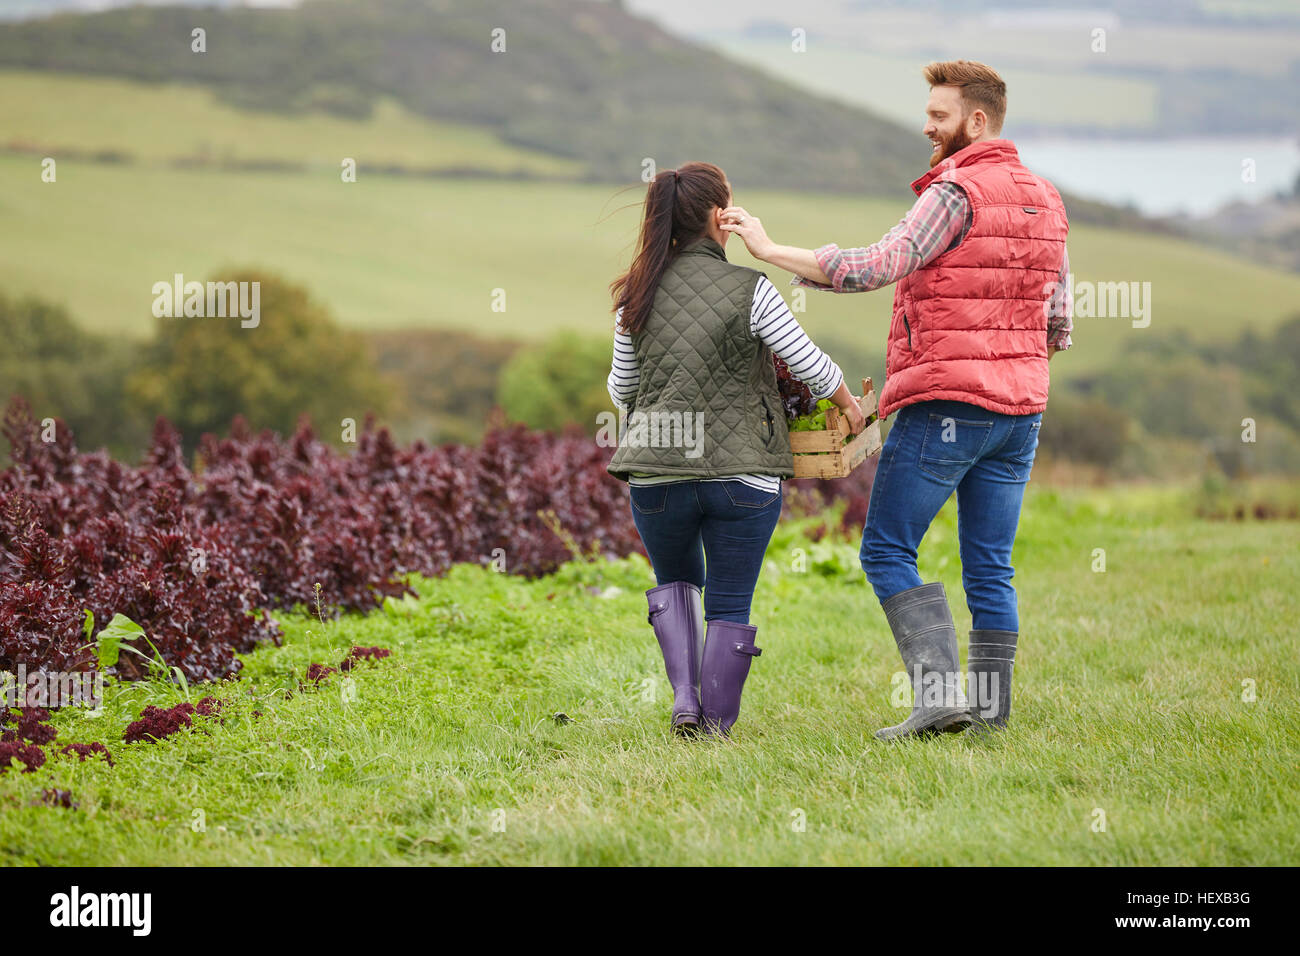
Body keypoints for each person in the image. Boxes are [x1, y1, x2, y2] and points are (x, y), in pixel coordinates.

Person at [721, 60, 1074, 740]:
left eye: (939, 115)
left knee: (886, 548)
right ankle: (990, 717)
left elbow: (877, 265)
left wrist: (768, 248)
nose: (928, 126)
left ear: (976, 120)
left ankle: (939, 699)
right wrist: (1011, 372)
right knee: (990, 565)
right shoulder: (1049, 199)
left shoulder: (956, 191)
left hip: (947, 406)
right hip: (1021, 411)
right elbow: (1057, 323)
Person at [605, 161, 866, 738]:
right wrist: (850, 406)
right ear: (721, 216)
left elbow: (621, 390)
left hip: (655, 474)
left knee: (676, 584)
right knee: (728, 601)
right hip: (741, 477)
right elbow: (810, 365)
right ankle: (716, 725)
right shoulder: (751, 288)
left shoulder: (635, 295)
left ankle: (685, 701)